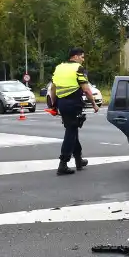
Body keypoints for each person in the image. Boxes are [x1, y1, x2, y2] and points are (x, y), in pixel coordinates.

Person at [48, 47, 98, 176]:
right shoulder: (78, 69)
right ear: (75, 57)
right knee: (71, 131)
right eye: (82, 56)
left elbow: (53, 88)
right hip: (73, 103)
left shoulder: (59, 68)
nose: (83, 59)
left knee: (72, 129)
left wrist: (54, 104)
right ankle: (63, 163)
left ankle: (78, 160)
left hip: (62, 104)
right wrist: (94, 104)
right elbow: (86, 89)